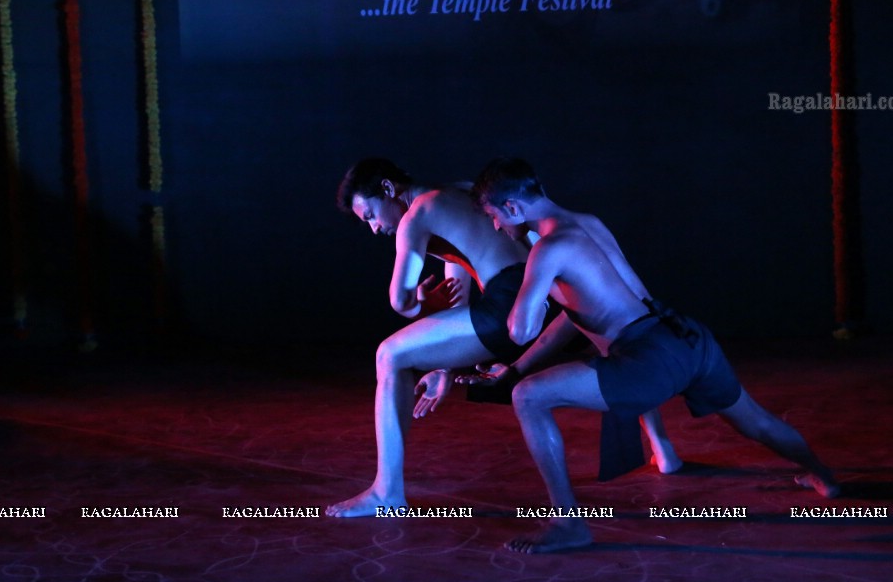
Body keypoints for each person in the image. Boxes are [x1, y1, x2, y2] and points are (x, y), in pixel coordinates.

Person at [468, 157, 840, 553]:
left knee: (529, 396)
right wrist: (517, 367)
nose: (495, 226)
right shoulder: (587, 223)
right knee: (758, 422)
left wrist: (529, 295)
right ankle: (823, 477)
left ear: (512, 208)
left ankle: (568, 524)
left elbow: (519, 330)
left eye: (493, 216)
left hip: (647, 359)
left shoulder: (547, 249)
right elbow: (582, 314)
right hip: (684, 337)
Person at [327, 158, 683, 518]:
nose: (374, 228)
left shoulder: (414, 216)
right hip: (547, 288)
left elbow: (400, 300)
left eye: (370, 215)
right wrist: (443, 365)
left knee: (388, 355)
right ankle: (663, 449)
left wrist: (420, 300)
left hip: (506, 305)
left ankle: (387, 491)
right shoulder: (466, 191)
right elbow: (459, 292)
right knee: (609, 338)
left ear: (388, 189)